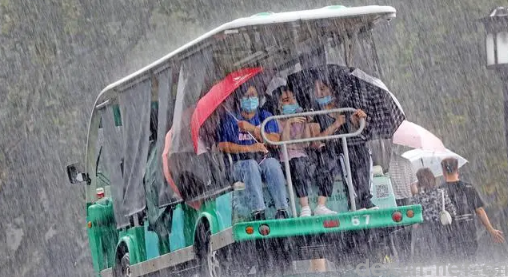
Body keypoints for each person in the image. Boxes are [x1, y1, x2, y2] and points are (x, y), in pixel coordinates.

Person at [217, 82, 289, 220]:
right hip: (240, 164)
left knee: (272, 164)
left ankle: (282, 210)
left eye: (253, 95)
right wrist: (249, 148)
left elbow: (275, 139)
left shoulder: (265, 116)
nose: (250, 99)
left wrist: (253, 129)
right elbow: (222, 145)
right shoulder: (231, 119)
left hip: (262, 159)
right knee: (251, 165)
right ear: (240, 99)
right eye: (247, 96)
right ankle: (258, 212)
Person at [310, 78, 377, 210]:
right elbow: (316, 141)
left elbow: (361, 128)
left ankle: (365, 197)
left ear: (332, 90)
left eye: (323, 89)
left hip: (350, 146)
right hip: (330, 150)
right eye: (316, 90)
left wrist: (362, 118)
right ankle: (354, 200)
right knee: (345, 155)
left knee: (361, 150)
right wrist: (336, 124)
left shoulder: (345, 109)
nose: (320, 93)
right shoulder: (314, 114)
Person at [273, 86, 336, 216]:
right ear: (279, 105)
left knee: (328, 160)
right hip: (288, 160)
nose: (291, 102)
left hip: (305, 157)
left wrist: (306, 122)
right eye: (286, 100)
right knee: (298, 164)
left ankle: (321, 205)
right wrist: (289, 122)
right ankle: (305, 207)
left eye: (293, 99)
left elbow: (306, 142)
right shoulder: (276, 121)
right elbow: (283, 143)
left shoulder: (301, 119)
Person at [440, 157, 505, 261]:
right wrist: (491, 229)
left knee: (452, 265)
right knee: (469, 263)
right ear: (457, 169)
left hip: (449, 237)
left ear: (443, 171)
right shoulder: (469, 187)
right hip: (468, 235)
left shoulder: (440, 191)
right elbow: (480, 211)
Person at [410, 168, 456, 262]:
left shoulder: (417, 197)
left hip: (424, 231)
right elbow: (452, 211)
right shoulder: (441, 193)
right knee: (443, 258)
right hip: (441, 230)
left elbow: (413, 216)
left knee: (427, 260)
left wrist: (414, 193)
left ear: (419, 181)